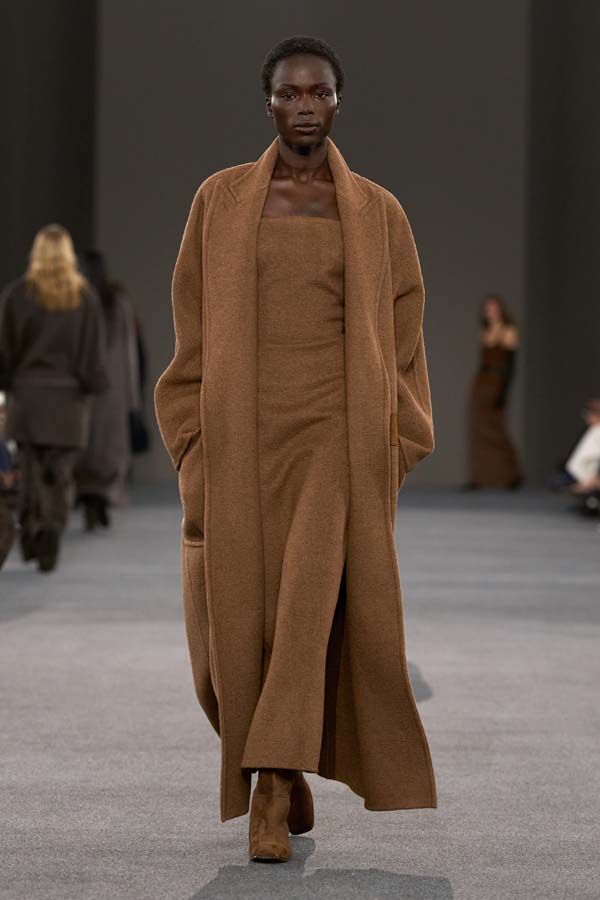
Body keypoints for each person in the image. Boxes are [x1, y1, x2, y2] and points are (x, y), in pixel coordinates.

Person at [154, 35, 436, 863]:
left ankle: (272, 787)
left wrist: (396, 435)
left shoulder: (377, 211)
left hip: (335, 441)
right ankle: (276, 750)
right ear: (269, 103)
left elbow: (405, 335)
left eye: (319, 93)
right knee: (234, 633)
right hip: (239, 435)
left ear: (339, 101)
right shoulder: (220, 199)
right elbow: (191, 321)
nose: (305, 106)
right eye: (290, 93)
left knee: (309, 612)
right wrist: (190, 438)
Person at [0, 224, 108, 572]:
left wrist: (8, 385)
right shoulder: (84, 299)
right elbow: (92, 355)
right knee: (60, 475)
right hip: (67, 404)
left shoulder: (17, 295)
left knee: (29, 470)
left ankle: (32, 529)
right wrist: (92, 386)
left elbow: (5, 351)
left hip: (27, 400)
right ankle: (51, 533)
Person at [73, 251, 142, 530]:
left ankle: (92, 499)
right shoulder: (115, 302)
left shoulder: (82, 301)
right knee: (106, 450)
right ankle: (98, 498)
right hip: (111, 385)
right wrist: (132, 396)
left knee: (90, 447)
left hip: (89, 385)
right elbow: (128, 352)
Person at [464, 293, 523, 489]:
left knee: (496, 428)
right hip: (482, 381)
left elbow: (511, 366)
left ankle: (511, 474)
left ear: (500, 309)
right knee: (476, 428)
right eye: (487, 308)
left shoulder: (508, 331)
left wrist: (503, 393)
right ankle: (479, 477)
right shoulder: (485, 331)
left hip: (497, 382)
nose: (490, 311)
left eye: (493, 307)